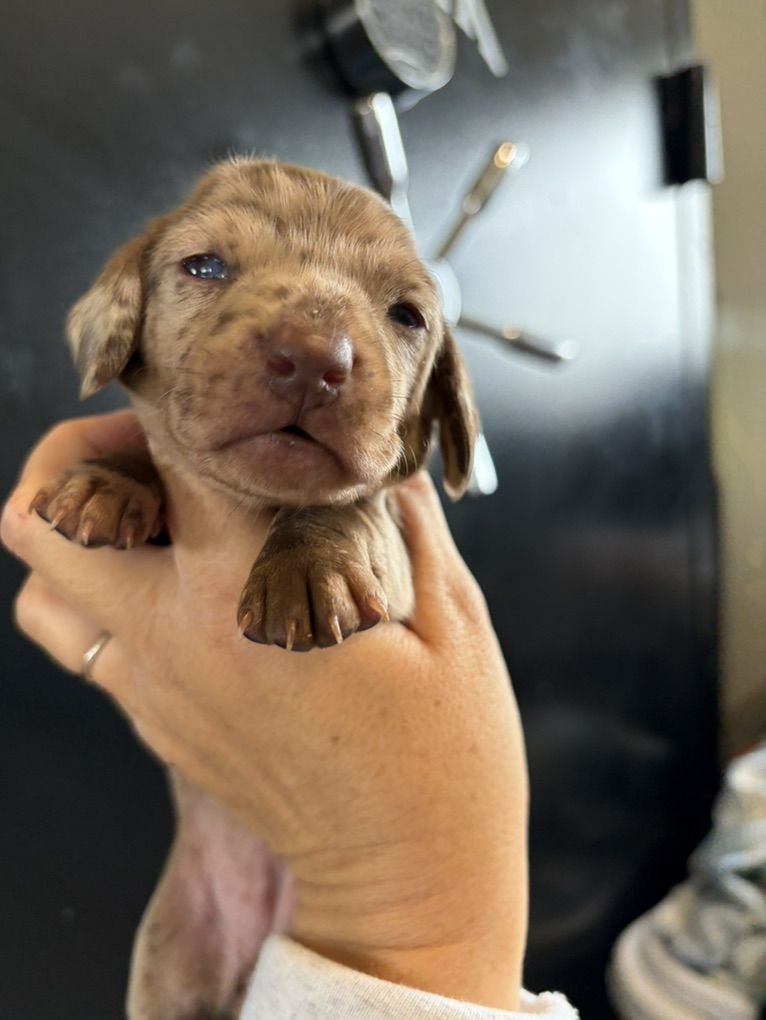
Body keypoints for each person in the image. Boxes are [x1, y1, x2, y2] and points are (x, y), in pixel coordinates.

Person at [2, 411, 578, 1019]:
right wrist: (124, 480)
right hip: (209, 896)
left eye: (404, 316)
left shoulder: (374, 482)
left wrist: (415, 890)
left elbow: (377, 542)